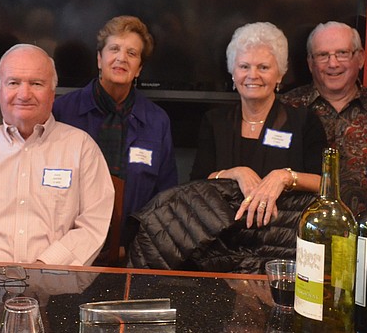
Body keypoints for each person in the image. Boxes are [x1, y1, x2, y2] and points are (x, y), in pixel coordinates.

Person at [130, 23, 326, 273]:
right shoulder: (215, 121)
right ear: (233, 73)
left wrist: (285, 177)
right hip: (220, 248)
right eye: (244, 66)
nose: (252, 75)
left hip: (280, 248)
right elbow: (197, 183)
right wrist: (234, 173)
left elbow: (325, 183)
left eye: (263, 67)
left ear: (280, 75)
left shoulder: (304, 121)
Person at [0, 44, 114, 266]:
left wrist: (43, 269)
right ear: (0, 88)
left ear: (52, 92)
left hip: (56, 282)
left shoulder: (82, 149)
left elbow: (93, 224)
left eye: (36, 84)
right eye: (13, 83)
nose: (24, 94)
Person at [52, 16, 178, 247]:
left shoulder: (157, 121)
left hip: (134, 250)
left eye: (132, 53)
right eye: (114, 49)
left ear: (139, 68)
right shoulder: (62, 111)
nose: (122, 58)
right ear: (99, 59)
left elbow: (166, 196)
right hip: (66, 247)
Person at [281, 21, 367, 214]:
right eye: (322, 55)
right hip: (298, 226)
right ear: (310, 63)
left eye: (342, 53)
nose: (333, 64)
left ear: (360, 58)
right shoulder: (286, 108)